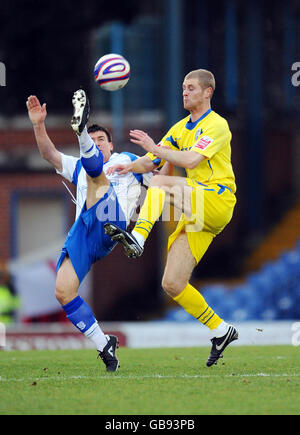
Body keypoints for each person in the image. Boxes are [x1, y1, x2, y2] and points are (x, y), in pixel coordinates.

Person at [104, 69, 238, 367]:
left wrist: (155, 150)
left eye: (191, 88)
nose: (185, 93)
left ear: (208, 92)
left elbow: (190, 160)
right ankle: (221, 330)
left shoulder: (217, 125)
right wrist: (128, 167)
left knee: (161, 183)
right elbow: (153, 160)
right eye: (182, 88)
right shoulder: (179, 128)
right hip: (197, 209)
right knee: (173, 283)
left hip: (216, 199)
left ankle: (137, 237)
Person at [26, 90, 153, 371]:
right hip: (84, 231)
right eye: (92, 140)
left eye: (100, 141)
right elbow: (49, 153)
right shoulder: (79, 168)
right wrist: (38, 124)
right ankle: (103, 343)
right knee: (63, 291)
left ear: (110, 145)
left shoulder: (127, 159)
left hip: (113, 220)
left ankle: (79, 130)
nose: (98, 145)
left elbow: (161, 175)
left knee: (96, 178)